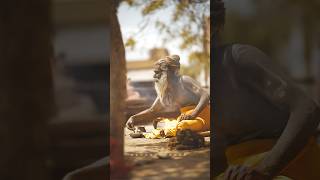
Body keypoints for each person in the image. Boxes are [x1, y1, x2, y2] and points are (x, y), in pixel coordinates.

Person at [213, 0, 320, 179]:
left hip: (291, 165)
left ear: (215, 26)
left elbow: (307, 109)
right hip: (240, 171)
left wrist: (264, 170)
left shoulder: (238, 59)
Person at [126, 55, 210, 136]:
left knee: (182, 126)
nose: (154, 76)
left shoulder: (184, 80)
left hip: (202, 117)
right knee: (162, 124)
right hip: (186, 119)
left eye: (157, 72)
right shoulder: (165, 90)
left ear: (167, 72)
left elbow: (205, 95)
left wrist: (193, 114)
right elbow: (152, 110)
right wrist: (133, 118)